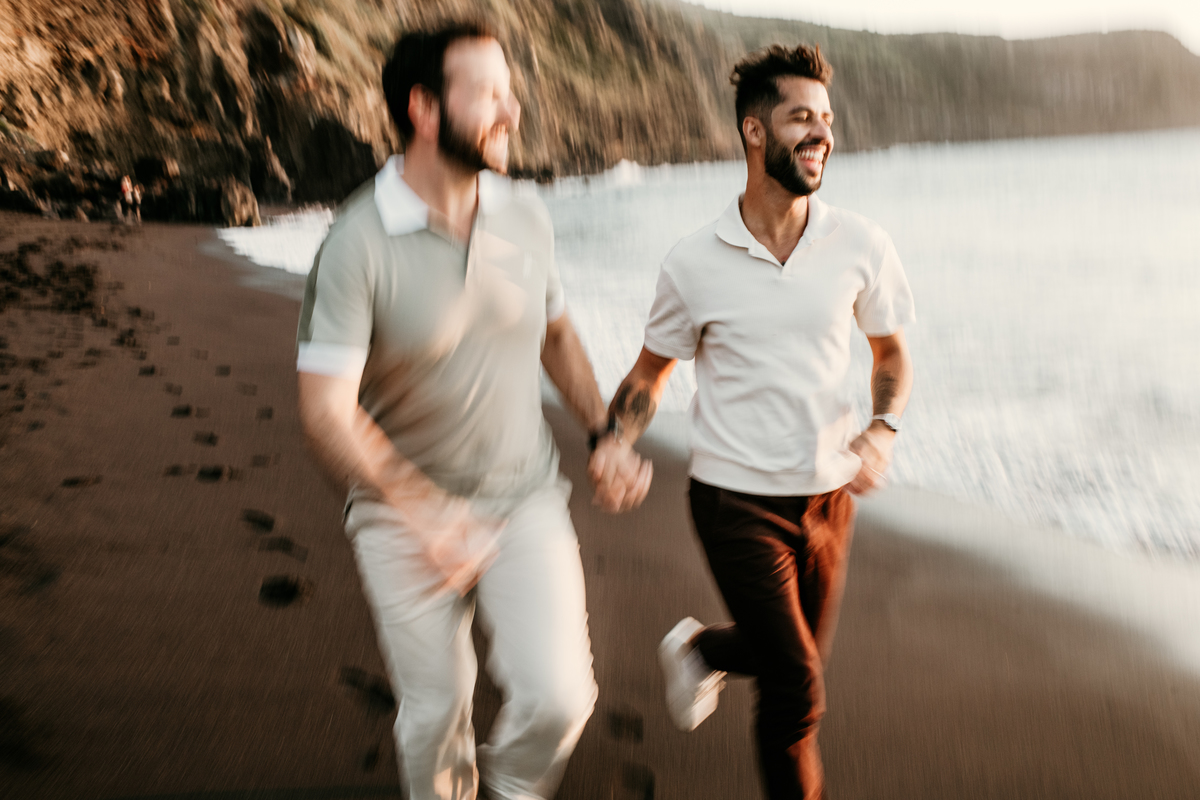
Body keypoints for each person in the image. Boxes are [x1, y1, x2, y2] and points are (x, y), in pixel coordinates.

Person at [295, 20, 651, 800]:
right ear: (424, 108)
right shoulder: (355, 245)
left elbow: (554, 330)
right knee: (435, 714)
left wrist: (605, 433)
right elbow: (325, 410)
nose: (512, 111)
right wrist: (423, 511)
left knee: (563, 698)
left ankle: (510, 791)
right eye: (489, 93)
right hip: (399, 514)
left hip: (524, 497)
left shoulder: (525, 214)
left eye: (509, 91)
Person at [591, 43, 915, 799]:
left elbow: (891, 350)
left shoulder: (860, 245)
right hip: (734, 501)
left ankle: (703, 649)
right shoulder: (694, 261)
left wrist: (883, 426)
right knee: (799, 687)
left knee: (785, 670)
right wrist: (614, 441)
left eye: (827, 120)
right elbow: (649, 375)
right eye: (801, 117)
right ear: (754, 131)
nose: (821, 134)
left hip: (830, 501)